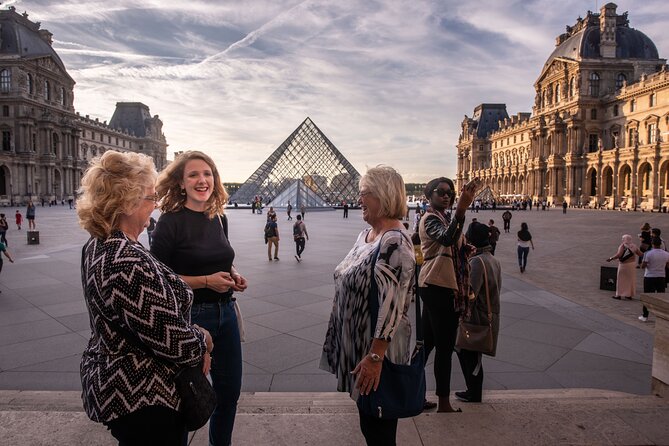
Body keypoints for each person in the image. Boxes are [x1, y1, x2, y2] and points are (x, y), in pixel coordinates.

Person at [77, 150, 213, 446]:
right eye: (151, 197)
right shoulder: (126, 260)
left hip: (122, 391)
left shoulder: (97, 246)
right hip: (146, 398)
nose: (156, 204)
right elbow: (174, 343)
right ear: (127, 201)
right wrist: (202, 339)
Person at [151, 150, 247, 446]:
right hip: (190, 317)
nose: (202, 180)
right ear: (180, 183)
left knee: (228, 394)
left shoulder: (218, 218)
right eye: (193, 175)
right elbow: (158, 280)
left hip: (226, 313)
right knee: (185, 397)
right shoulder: (169, 223)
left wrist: (232, 273)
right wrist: (206, 281)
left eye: (207, 174)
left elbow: (220, 256)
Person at [320, 166, 416, 446]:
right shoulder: (366, 235)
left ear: (383, 196)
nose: (358, 199)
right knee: (369, 424)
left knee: (379, 430)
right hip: (360, 345)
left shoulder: (394, 242)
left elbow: (393, 306)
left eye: (364, 194)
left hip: (377, 353)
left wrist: (376, 358)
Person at [418, 176, 479, 413]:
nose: (447, 196)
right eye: (441, 191)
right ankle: (443, 402)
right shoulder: (430, 218)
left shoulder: (443, 217)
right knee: (444, 348)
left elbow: (457, 241)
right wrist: (462, 209)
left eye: (450, 193)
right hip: (438, 287)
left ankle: (414, 393)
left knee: (427, 345)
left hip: (439, 286)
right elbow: (447, 238)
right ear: (429, 195)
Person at [456, 221, 501, 403]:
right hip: (490, 313)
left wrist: (461, 313)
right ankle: (473, 390)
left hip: (476, 316)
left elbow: (471, 293)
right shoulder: (492, 259)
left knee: (468, 354)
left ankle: (473, 392)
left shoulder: (476, 262)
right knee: (472, 355)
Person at [639, 237, 669, 322]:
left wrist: (643, 265)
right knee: (661, 296)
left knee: (647, 296)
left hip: (649, 276)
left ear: (652, 244)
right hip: (661, 276)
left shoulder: (648, 253)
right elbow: (668, 266)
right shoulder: (666, 254)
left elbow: (643, 266)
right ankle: (662, 315)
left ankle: (645, 315)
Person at [607, 234, 643, 300]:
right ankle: (628, 295)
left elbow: (619, 255)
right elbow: (640, 254)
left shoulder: (623, 246)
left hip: (623, 265)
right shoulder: (634, 246)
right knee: (630, 280)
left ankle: (619, 295)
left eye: (623, 238)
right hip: (632, 265)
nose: (622, 240)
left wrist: (611, 258)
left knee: (621, 280)